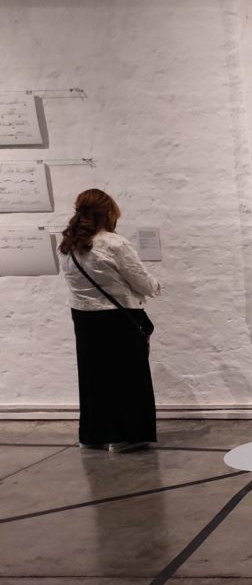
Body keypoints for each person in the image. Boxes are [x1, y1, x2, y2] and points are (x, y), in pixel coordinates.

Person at [59, 189, 160, 452]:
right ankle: (127, 436)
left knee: (94, 377)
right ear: (108, 213)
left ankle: (94, 435)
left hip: (84, 318)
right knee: (128, 377)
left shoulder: (68, 245)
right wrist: (155, 285)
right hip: (118, 318)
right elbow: (142, 281)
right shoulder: (114, 244)